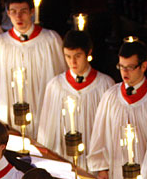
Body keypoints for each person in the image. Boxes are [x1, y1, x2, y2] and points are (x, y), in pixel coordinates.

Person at [0, 0, 65, 137]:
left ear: (32, 11)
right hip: (12, 118)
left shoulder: (50, 40)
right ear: (7, 13)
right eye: (13, 11)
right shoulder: (0, 44)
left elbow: (61, 80)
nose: (18, 16)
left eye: (23, 11)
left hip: (43, 114)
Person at [87, 38, 147, 179]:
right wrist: (102, 168)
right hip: (117, 174)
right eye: (121, 66)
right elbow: (100, 134)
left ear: (144, 66)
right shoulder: (111, 96)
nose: (125, 72)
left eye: (131, 67)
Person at [36, 30, 114, 160]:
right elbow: (46, 132)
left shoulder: (105, 85)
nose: (72, 62)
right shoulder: (55, 86)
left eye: (77, 56)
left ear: (88, 53)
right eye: (68, 56)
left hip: (94, 161)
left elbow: (110, 132)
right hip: (64, 160)